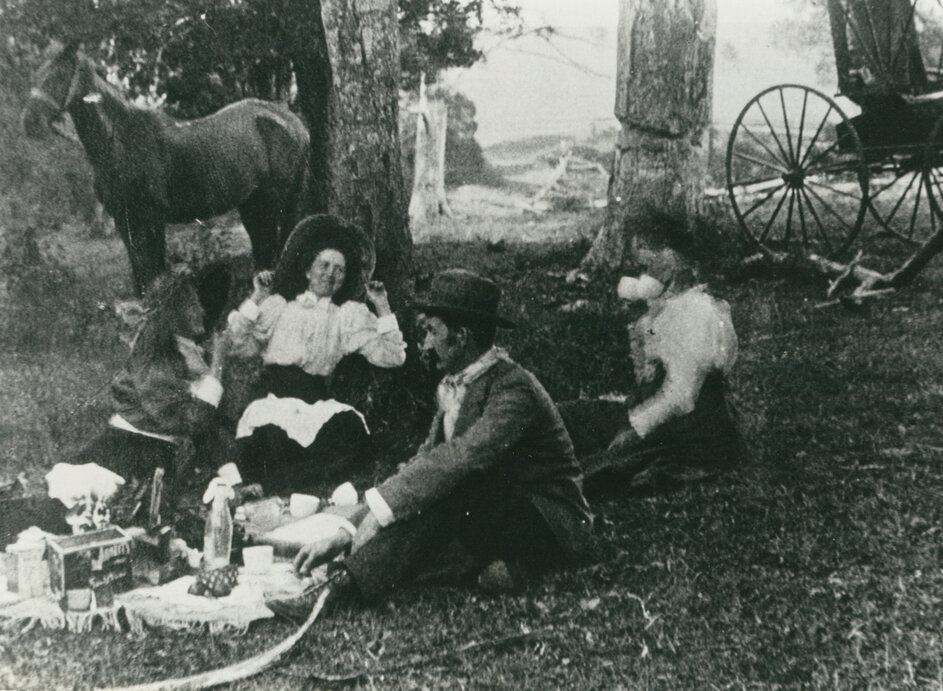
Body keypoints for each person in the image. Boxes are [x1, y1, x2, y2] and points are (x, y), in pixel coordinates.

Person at [271, 269, 593, 614]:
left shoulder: (514, 389)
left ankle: (342, 587)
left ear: (462, 336)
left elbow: (460, 459)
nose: (423, 342)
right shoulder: (458, 383)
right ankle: (493, 567)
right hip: (495, 508)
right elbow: (425, 462)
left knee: (452, 488)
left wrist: (379, 515)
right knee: (437, 493)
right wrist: (347, 528)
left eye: (430, 331)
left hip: (547, 520)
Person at [0, 268, 231, 544]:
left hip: (150, 454)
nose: (202, 311)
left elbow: (207, 425)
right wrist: (219, 362)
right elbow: (190, 422)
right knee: (71, 517)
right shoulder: (154, 353)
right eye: (193, 305)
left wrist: (232, 477)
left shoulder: (184, 352)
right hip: (126, 453)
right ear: (174, 314)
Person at [226, 214, 406, 494]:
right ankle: (277, 482)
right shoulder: (279, 307)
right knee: (268, 435)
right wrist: (258, 296)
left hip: (316, 403)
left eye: (339, 270)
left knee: (349, 430)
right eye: (324, 265)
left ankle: (282, 483)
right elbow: (236, 342)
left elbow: (394, 356)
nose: (330, 274)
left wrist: (381, 305)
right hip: (276, 399)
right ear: (308, 270)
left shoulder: (346, 316)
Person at [562, 250, 745, 496]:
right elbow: (650, 378)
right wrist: (642, 336)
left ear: (672, 286)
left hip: (689, 431)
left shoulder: (694, 314)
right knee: (569, 415)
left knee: (594, 470)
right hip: (665, 417)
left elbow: (681, 396)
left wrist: (636, 429)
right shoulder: (668, 314)